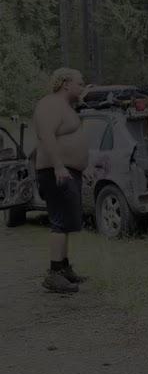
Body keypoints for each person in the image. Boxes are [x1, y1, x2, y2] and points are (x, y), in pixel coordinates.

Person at [33, 68, 88, 293]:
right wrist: (58, 165)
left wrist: (84, 166)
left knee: (66, 222)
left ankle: (64, 269)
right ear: (66, 83)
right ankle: (54, 274)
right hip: (54, 171)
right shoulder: (50, 104)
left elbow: (70, 138)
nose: (82, 86)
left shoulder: (65, 106)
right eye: (80, 83)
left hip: (67, 171)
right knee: (59, 222)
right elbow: (46, 134)